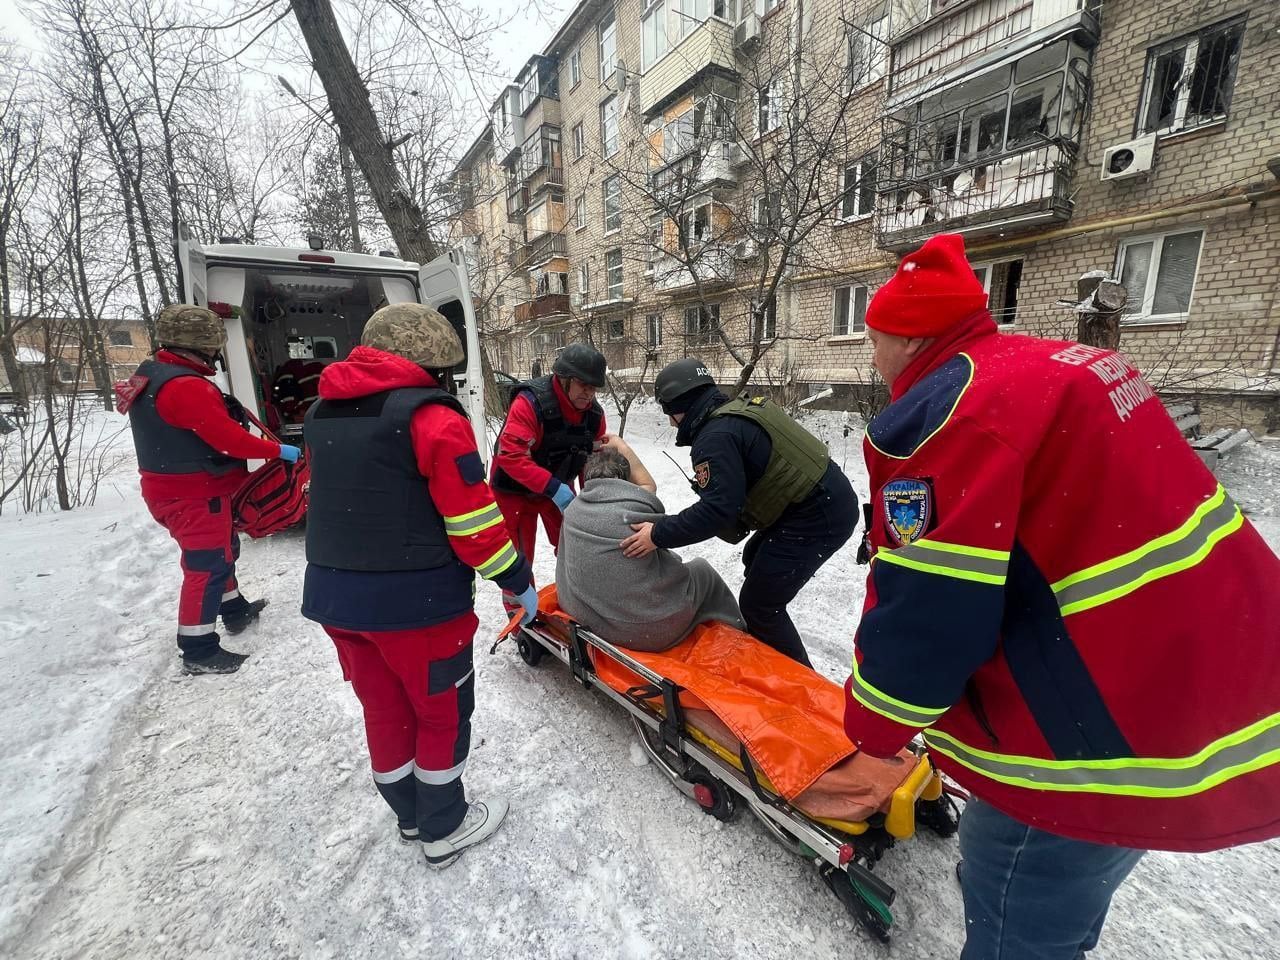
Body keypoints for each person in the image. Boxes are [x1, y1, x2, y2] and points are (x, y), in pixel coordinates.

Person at [841, 233, 1280, 959]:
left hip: (1099, 725)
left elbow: (933, 609)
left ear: (907, 335)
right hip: (1207, 664)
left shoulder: (955, 414)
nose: (873, 357)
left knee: (1013, 889)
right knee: (1063, 902)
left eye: (875, 338)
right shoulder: (1057, 365)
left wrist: (872, 725)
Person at [302, 303, 538, 868]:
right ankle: (443, 825)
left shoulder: (320, 414)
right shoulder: (433, 419)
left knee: (383, 710)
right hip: (420, 608)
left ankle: (408, 815)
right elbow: (475, 523)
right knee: (440, 713)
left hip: (338, 603)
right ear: (432, 362)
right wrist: (517, 581)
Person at [621, 361, 857, 668]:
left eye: (670, 411)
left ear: (683, 404)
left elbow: (717, 511)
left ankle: (800, 687)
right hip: (817, 499)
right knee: (754, 558)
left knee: (760, 605)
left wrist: (658, 533)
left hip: (816, 514)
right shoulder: (734, 413)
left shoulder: (714, 438)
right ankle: (766, 650)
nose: (671, 422)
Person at [117, 304, 300, 675]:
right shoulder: (185, 386)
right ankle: (199, 649)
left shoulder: (156, 375)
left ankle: (233, 609)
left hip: (182, 489)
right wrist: (276, 449)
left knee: (221, 552)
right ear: (204, 344)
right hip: (194, 495)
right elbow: (227, 440)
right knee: (206, 566)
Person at [556, 439, 745, 652]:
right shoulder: (637, 508)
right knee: (703, 571)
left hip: (587, 616)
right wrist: (623, 446)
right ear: (627, 479)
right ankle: (739, 634)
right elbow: (648, 485)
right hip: (646, 633)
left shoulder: (572, 510)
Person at [490, 343, 608, 617]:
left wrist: (592, 497)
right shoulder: (530, 403)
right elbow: (511, 455)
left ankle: (579, 600)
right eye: (582, 385)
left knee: (575, 545)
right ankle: (519, 615)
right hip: (514, 491)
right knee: (517, 559)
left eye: (594, 387)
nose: (589, 393)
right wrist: (554, 488)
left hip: (558, 484)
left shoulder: (593, 416)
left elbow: (593, 458)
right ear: (564, 379)